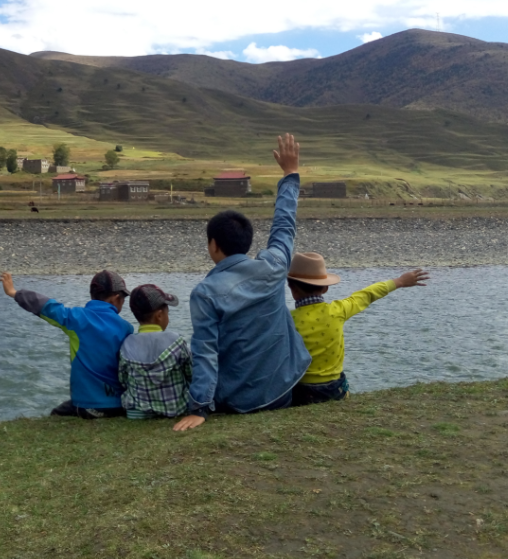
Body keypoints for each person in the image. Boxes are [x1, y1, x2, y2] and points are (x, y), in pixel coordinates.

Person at [174, 133, 310, 432]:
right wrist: (290, 174)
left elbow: (205, 351)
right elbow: (284, 225)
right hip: (282, 390)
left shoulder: (205, 293)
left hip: (237, 401)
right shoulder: (274, 266)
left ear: (213, 245)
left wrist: (200, 408)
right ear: (247, 242)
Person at [287, 252, 430, 406]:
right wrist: (400, 281)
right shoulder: (338, 311)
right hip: (333, 387)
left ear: (291, 288)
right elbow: (367, 295)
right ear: (325, 288)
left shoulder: (287, 320)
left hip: (300, 388)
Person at [0, 269, 133, 418]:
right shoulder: (126, 328)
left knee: (55, 415)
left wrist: (14, 293)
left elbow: (46, 306)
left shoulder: (76, 318)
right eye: (123, 299)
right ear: (115, 298)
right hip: (118, 405)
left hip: (86, 405)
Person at [118, 284, 192, 420]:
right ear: (159, 315)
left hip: (136, 413)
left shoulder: (127, 344)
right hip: (174, 409)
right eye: (167, 313)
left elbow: (123, 380)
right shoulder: (176, 341)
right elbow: (191, 374)